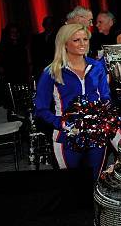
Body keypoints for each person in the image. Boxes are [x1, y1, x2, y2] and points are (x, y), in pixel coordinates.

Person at [34, 23, 111, 180]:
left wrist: (105, 118)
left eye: (85, 39)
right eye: (76, 40)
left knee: (97, 181)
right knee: (71, 186)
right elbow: (40, 109)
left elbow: (106, 97)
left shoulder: (97, 67)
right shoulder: (52, 72)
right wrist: (61, 123)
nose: (82, 44)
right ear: (65, 44)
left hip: (97, 134)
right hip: (66, 136)